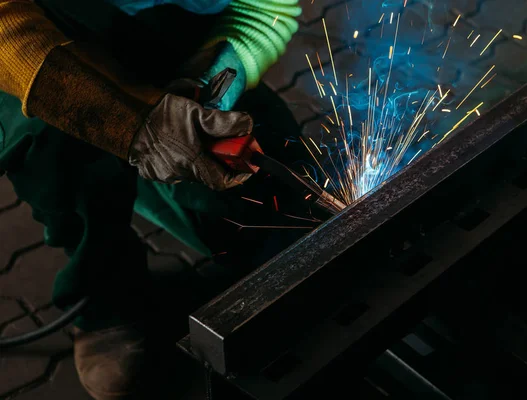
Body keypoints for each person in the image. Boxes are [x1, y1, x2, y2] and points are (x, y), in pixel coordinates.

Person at [0, 0, 302, 398]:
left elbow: (268, 7)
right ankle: (106, 302)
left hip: (173, 38)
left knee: (278, 190)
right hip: (43, 48)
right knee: (51, 151)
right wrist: (131, 122)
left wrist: (217, 73)